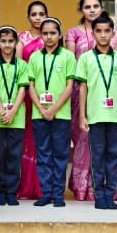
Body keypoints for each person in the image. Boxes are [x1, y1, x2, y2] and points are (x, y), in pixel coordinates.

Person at [73, 14, 117, 209]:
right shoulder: (86, 58)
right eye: (99, 31)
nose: (103, 35)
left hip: (115, 116)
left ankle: (110, 193)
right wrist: (82, 116)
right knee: (97, 156)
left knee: (113, 156)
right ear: (93, 33)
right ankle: (99, 194)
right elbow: (83, 88)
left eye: (107, 31)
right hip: (95, 116)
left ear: (113, 33)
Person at [64, 0, 117, 202]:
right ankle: (83, 187)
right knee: (84, 139)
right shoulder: (73, 33)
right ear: (81, 10)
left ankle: (106, 188)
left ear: (101, 8)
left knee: (107, 141)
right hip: (81, 92)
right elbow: (71, 63)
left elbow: (115, 65)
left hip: (106, 93)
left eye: (96, 6)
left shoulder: (114, 33)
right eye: (87, 7)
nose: (92, 10)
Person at [27, 17, 76, 207]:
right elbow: (31, 85)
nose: (49, 37)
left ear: (60, 35)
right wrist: (41, 109)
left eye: (53, 33)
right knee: (43, 155)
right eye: (45, 33)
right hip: (39, 114)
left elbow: (70, 86)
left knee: (61, 155)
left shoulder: (68, 56)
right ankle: (46, 193)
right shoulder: (34, 57)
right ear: (41, 35)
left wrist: (54, 109)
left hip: (61, 115)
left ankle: (58, 195)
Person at [0, 26, 31, 206]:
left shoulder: (23, 65)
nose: (7, 45)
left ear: (17, 43)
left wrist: (12, 112)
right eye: (3, 41)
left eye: (11, 41)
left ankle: (11, 192)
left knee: (14, 155)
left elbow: (22, 89)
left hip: (16, 117)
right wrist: (3, 111)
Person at [15, 1, 47, 201]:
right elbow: (19, 68)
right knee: (27, 140)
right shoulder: (22, 38)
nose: (37, 18)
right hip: (26, 93)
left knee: (43, 140)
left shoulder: (50, 37)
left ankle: (43, 186)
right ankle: (27, 185)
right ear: (28, 17)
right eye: (34, 14)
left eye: (41, 14)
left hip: (46, 94)